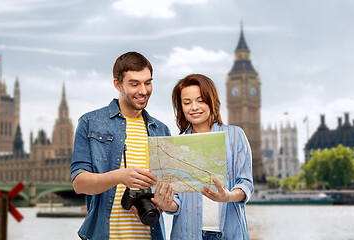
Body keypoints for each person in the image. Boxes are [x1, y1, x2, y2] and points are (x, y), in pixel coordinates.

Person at [70, 51, 171, 240]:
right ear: (117, 84)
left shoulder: (162, 131)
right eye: (134, 84)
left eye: (148, 83)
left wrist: (162, 204)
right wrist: (120, 176)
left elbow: (168, 191)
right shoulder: (90, 122)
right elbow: (79, 183)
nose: (143, 91)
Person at [156, 73, 254, 240]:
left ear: (212, 101)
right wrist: (166, 204)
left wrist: (228, 196)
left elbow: (246, 183)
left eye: (201, 100)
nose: (194, 107)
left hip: (229, 233)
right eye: (187, 102)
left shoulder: (235, 135)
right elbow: (176, 201)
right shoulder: (175, 145)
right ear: (181, 107)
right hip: (187, 234)